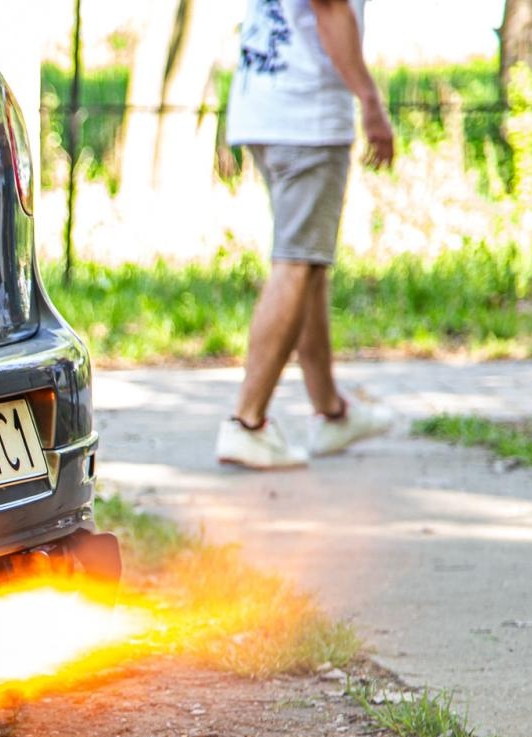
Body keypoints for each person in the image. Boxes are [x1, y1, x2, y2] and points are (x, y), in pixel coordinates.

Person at [216, 0, 397, 470]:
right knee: (296, 264)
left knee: (307, 265)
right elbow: (331, 8)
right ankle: (246, 422)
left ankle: (331, 412)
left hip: (265, 105)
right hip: (305, 115)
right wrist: (372, 102)